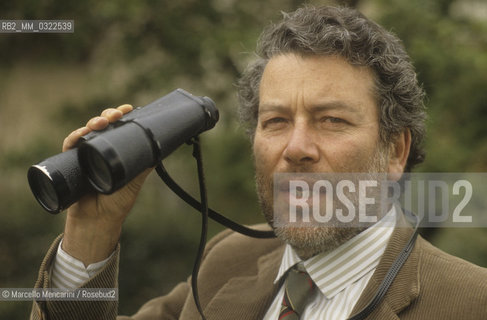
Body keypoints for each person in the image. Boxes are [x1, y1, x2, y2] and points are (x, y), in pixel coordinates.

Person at [31, 5, 487, 320]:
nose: (296, 147)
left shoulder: (471, 303)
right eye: (276, 121)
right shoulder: (227, 262)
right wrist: (91, 234)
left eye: (331, 120)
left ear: (395, 151)